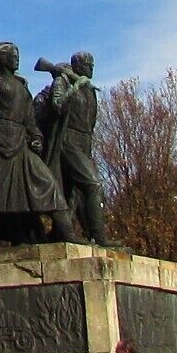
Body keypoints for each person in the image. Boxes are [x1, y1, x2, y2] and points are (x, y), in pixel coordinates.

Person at [0, 44, 63, 244]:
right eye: (13, 55)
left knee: (49, 186)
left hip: (21, 145)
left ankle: (68, 237)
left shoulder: (21, 85)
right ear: (1, 59)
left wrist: (36, 137)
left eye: (18, 55)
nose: (17, 59)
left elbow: (30, 119)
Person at [34, 51, 106, 243]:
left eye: (92, 65)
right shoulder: (63, 82)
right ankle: (100, 237)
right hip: (69, 141)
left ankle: (61, 233)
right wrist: (75, 87)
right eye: (87, 65)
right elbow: (58, 105)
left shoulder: (88, 88)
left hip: (85, 142)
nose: (91, 68)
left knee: (73, 192)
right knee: (93, 184)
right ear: (77, 66)